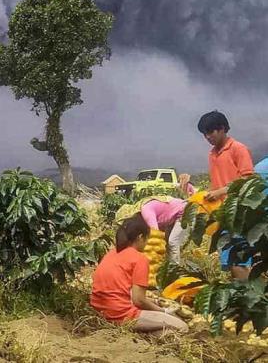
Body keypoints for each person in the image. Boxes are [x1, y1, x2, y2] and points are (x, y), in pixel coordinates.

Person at [90, 215, 188, 333]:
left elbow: (127, 292)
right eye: (147, 239)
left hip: (99, 311)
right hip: (119, 315)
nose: (147, 243)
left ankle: (151, 330)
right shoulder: (139, 259)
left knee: (161, 325)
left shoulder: (111, 253)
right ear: (141, 237)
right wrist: (163, 311)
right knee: (182, 326)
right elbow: (138, 300)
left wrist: (154, 304)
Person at [197, 110, 254, 279]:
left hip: (238, 211)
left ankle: (246, 297)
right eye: (204, 134)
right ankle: (238, 295)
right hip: (222, 213)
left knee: (240, 257)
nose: (208, 137)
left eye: (210, 132)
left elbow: (247, 179)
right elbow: (216, 181)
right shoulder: (212, 154)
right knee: (228, 257)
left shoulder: (238, 149)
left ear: (222, 129)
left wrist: (220, 192)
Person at [139, 197, 189, 264]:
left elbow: (156, 235)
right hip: (173, 215)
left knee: (173, 242)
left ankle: (175, 269)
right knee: (167, 243)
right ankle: (168, 267)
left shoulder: (146, 212)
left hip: (185, 211)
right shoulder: (147, 213)